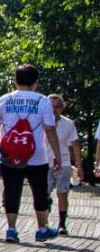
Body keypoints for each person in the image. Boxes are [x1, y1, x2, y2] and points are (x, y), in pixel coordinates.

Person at [0, 65, 62, 244]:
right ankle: (42, 229)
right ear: (36, 82)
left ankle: (11, 229)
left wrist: (0, 145)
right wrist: (57, 155)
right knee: (39, 191)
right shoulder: (43, 101)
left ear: (15, 80)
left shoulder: (5, 99)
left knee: (11, 189)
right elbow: (49, 129)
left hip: (11, 154)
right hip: (37, 154)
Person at [47, 94, 81, 236]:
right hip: (45, 162)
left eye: (58, 106)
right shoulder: (41, 121)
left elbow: (75, 144)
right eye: (52, 106)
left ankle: (62, 223)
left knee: (62, 194)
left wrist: (79, 165)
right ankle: (44, 221)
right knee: (43, 193)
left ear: (63, 107)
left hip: (64, 163)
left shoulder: (68, 123)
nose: (55, 109)